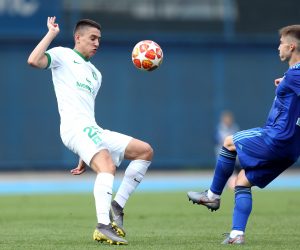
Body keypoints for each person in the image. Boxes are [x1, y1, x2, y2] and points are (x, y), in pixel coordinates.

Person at [28, 16, 153, 245]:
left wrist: (84, 154)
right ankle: (103, 226)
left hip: (91, 129)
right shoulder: (62, 55)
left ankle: (117, 205)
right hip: (73, 128)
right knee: (108, 165)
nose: (97, 43)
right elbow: (34, 60)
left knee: (144, 151)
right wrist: (51, 34)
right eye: (92, 38)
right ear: (78, 37)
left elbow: (87, 114)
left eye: (99, 39)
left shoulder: (96, 74)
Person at [187, 24, 300, 245]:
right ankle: (237, 235)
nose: (278, 48)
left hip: (276, 138)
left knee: (229, 142)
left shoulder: (296, 75)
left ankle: (212, 196)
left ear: (292, 46)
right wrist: (284, 84)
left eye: (281, 43)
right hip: (292, 149)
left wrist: (289, 83)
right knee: (242, 181)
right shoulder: (292, 77)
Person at [214, 111, 240, 189]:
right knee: (222, 170)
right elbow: (216, 140)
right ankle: (222, 185)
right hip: (222, 152)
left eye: (229, 119)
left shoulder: (234, 127)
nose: (228, 120)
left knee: (235, 169)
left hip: (234, 152)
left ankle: (236, 183)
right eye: (226, 119)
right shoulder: (220, 128)